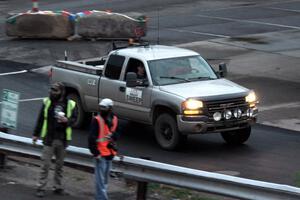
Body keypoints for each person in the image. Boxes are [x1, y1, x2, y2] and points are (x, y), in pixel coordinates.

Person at [32, 82, 76, 198]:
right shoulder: (47, 102)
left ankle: (57, 186)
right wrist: (35, 134)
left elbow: (74, 119)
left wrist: (67, 120)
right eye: (51, 89)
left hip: (62, 139)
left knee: (59, 166)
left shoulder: (69, 104)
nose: (52, 92)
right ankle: (41, 187)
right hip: (49, 138)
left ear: (61, 92)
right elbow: (41, 118)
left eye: (55, 90)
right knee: (45, 165)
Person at [88, 98, 119, 200]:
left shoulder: (114, 119)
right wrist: (96, 153)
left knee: (104, 180)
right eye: (101, 107)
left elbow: (117, 134)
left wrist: (113, 135)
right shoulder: (97, 120)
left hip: (110, 153)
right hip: (100, 154)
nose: (102, 109)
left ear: (110, 108)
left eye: (104, 108)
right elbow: (91, 138)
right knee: (100, 181)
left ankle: (100, 197)